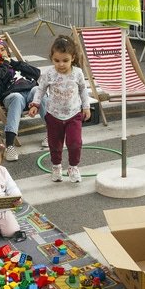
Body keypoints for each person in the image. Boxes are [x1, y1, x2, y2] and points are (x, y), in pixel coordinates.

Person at [28, 35, 91, 183]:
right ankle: (56, 166)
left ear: (73, 58)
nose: (61, 64)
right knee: (55, 144)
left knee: (75, 143)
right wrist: (35, 104)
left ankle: (73, 167)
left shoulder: (77, 73)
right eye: (57, 61)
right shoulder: (49, 73)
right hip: (53, 115)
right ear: (52, 59)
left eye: (65, 60)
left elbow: (83, 89)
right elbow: (41, 89)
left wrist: (86, 107)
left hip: (73, 114)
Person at [0, 39, 47, 162]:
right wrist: (4, 65)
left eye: (2, 49)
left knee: (38, 89)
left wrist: (13, 63)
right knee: (17, 97)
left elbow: (37, 73)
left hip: (30, 93)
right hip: (12, 96)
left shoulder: (17, 64)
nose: (1, 52)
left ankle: (52, 133)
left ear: (7, 51)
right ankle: (10, 146)